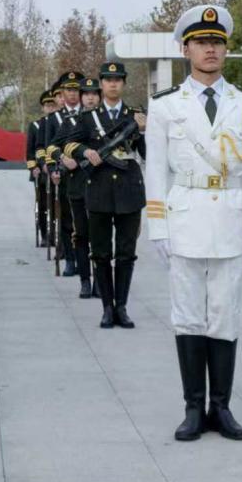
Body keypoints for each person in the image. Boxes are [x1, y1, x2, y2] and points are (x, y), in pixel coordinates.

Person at [145, 4, 242, 442]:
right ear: (185, 49)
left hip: (230, 217)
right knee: (188, 316)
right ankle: (193, 408)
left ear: (226, 49)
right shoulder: (164, 106)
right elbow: (156, 171)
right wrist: (158, 227)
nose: (210, 49)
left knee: (225, 315)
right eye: (201, 42)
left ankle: (222, 408)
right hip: (185, 217)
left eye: (216, 42)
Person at [60, 62, 145, 329]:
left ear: (124, 83)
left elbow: (147, 152)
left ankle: (122, 307)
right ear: (102, 85)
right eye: (108, 80)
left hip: (129, 190)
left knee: (126, 253)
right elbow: (68, 144)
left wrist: (143, 130)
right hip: (98, 189)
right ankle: (107, 307)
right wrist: (85, 151)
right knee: (101, 252)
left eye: (118, 79)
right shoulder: (88, 118)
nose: (113, 84)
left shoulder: (135, 116)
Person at [53, 76, 102, 298]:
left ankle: (100, 281)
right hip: (77, 185)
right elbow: (54, 146)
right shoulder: (72, 121)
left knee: (100, 237)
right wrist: (64, 158)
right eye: (86, 94)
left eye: (94, 94)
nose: (90, 98)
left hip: (101, 184)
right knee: (81, 235)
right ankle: (85, 280)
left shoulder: (106, 120)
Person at [43, 72, 84, 277]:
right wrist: (54, 169)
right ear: (62, 92)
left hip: (86, 174)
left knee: (85, 221)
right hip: (65, 174)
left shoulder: (89, 114)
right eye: (69, 90)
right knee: (66, 220)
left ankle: (85, 259)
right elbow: (48, 148)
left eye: (76, 89)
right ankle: (70, 259)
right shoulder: (53, 119)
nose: (73, 93)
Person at [29, 89, 58, 247]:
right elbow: (31, 150)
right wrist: (34, 167)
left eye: (53, 105)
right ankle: (45, 235)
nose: (50, 108)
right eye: (47, 105)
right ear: (43, 107)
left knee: (55, 203)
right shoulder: (35, 125)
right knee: (43, 204)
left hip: (55, 167)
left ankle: (55, 234)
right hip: (41, 171)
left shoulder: (59, 121)